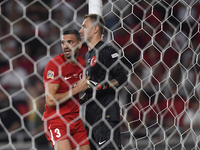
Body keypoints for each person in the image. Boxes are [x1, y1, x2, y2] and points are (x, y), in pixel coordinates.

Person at [79, 14, 127, 150]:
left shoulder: (107, 50)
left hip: (106, 116)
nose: (80, 31)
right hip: (91, 118)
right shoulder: (88, 55)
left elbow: (122, 77)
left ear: (95, 29)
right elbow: (91, 87)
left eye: (84, 27)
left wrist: (101, 86)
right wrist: (79, 100)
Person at [42, 29, 91, 150]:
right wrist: (77, 89)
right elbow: (50, 101)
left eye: (70, 42)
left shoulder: (83, 64)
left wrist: (83, 99)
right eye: (63, 43)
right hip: (56, 121)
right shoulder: (54, 65)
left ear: (80, 44)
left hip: (76, 121)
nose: (66, 46)